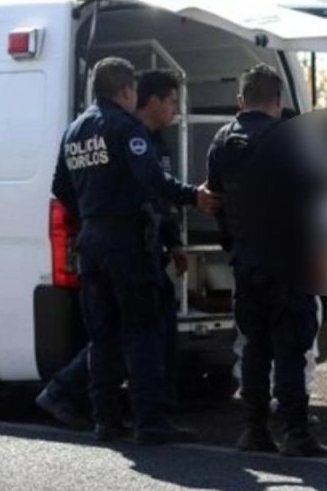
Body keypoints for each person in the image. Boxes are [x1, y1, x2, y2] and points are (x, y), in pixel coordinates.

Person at [49, 58, 214, 444]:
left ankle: (106, 421)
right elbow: (152, 179)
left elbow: (60, 187)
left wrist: (91, 210)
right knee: (142, 333)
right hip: (126, 244)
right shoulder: (125, 127)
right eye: (133, 91)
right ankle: (149, 422)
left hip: (91, 243)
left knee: (103, 337)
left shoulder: (74, 131)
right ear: (126, 91)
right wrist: (193, 196)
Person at [206, 64, 327, 457]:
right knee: (291, 347)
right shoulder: (290, 140)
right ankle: (296, 433)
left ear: (241, 99)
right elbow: (317, 200)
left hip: (246, 262)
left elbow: (215, 201)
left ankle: (254, 430)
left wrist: (234, 245)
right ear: (277, 100)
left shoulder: (222, 142)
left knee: (255, 346)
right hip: (288, 260)